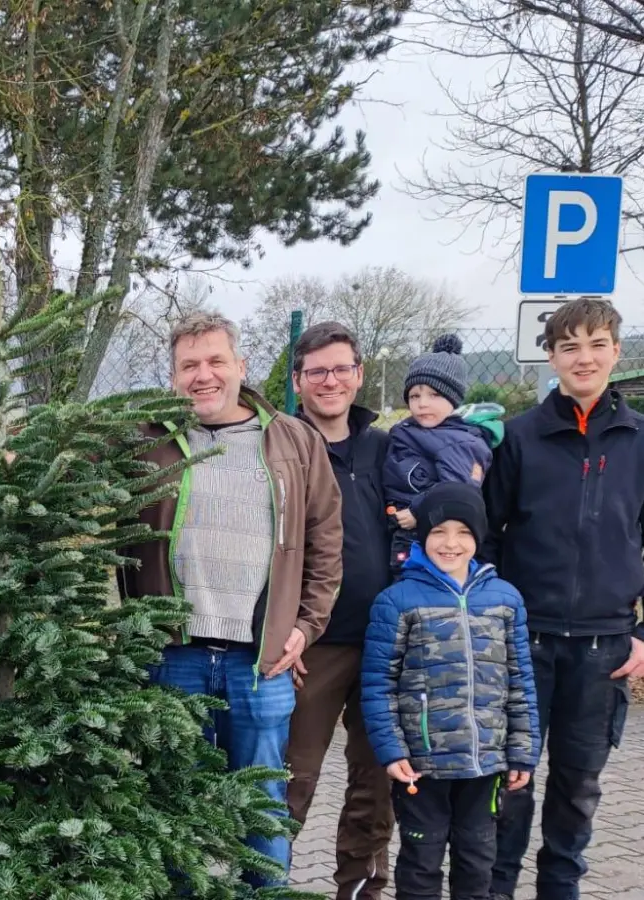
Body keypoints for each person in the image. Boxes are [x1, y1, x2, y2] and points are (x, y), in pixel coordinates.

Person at [118, 311, 343, 888]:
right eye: (189, 365)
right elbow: (69, 480)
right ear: (172, 377)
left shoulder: (293, 441)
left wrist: (306, 627)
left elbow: (325, 541)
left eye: (216, 361)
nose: (203, 375)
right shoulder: (146, 442)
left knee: (263, 801)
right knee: (177, 804)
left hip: (262, 660)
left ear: (240, 367)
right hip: (175, 655)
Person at [485, 297, 644, 900]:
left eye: (596, 344)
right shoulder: (519, 439)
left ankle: (561, 888)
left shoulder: (638, 441)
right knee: (511, 781)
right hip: (526, 643)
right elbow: (489, 537)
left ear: (615, 352)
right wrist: (500, 618)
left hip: (605, 647)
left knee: (579, 787)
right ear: (550, 356)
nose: (584, 357)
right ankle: (495, 887)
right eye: (570, 346)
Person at [362, 483, 540, 900]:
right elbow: (378, 684)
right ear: (422, 535)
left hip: (486, 764)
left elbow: (521, 682)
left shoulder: (505, 599)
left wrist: (523, 752)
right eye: (439, 531)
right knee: (421, 863)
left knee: (478, 861)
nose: (451, 543)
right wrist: (393, 751)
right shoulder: (397, 601)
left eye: (463, 531)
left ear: (478, 536)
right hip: (422, 766)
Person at [284, 322, 396, 900]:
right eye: (317, 371)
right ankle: (268, 880)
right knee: (291, 777)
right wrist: (287, 631)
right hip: (312, 646)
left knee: (375, 784)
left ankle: (361, 889)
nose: (330, 381)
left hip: (385, 644)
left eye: (341, 368)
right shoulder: (282, 448)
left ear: (359, 374)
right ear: (298, 381)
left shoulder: (387, 448)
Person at [383, 334, 502, 570]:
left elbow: (458, 491)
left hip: (427, 533)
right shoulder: (409, 430)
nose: (422, 403)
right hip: (400, 527)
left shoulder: (459, 441)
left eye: (435, 395)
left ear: (454, 399)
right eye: (415, 396)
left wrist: (418, 510)